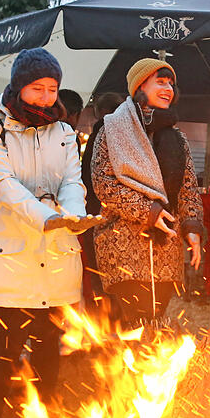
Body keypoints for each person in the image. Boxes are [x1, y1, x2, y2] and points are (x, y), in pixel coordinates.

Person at [0, 47, 93, 418]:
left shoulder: (62, 131)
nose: (45, 97)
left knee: (48, 344)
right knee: (8, 344)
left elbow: (73, 181)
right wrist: (45, 217)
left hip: (56, 251)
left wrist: (73, 215)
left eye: (52, 88)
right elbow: (2, 185)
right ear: (19, 87)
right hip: (12, 250)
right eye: (37, 88)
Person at [91, 59, 202, 325]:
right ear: (140, 86)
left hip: (166, 250)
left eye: (171, 84)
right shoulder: (112, 129)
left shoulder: (177, 138)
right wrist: (148, 211)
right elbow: (103, 184)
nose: (168, 89)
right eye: (160, 82)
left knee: (156, 326)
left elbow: (188, 188)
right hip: (123, 245)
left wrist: (193, 227)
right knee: (133, 327)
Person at [80, 93, 124, 301]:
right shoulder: (126, 134)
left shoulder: (100, 131)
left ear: (99, 112)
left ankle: (103, 316)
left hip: (97, 210)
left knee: (99, 269)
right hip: (120, 213)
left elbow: (86, 176)